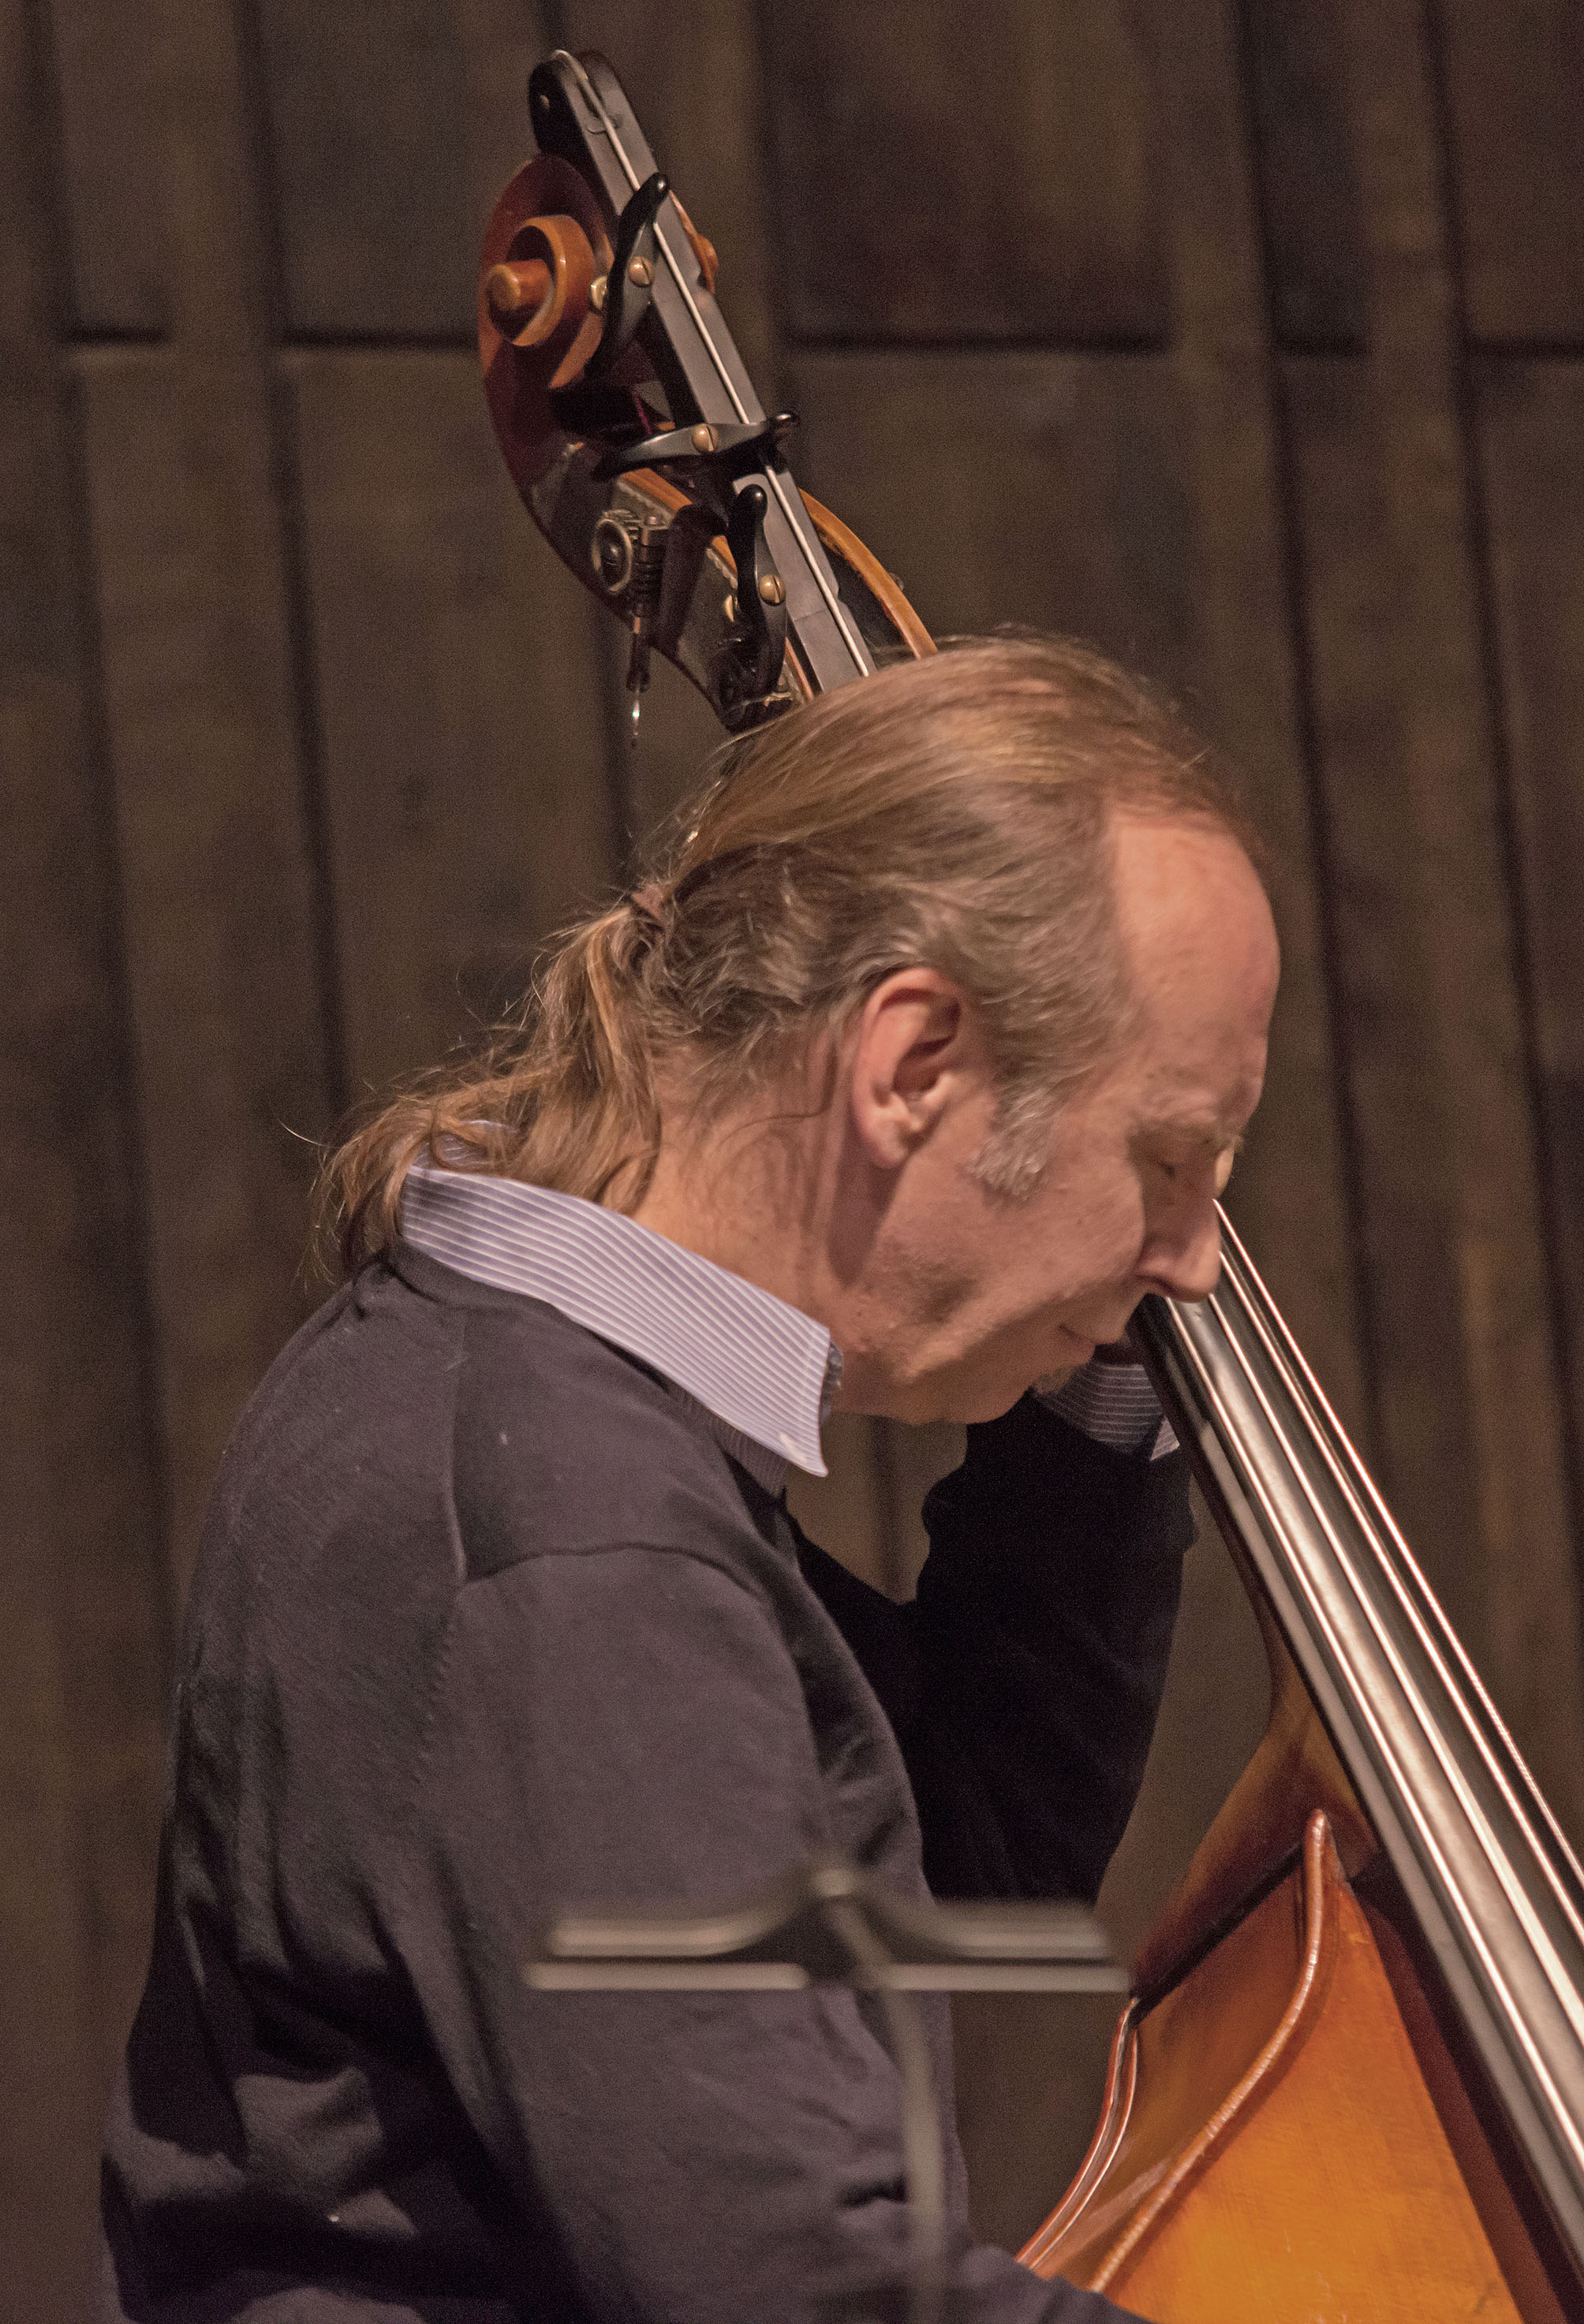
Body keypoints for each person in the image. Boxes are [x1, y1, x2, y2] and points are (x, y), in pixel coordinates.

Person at [100, 635, 1280, 2321]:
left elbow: (939, 1855)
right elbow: (784, 2279)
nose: (1193, 1258)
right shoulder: (566, 1531)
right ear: (908, 1065)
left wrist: (1099, 1388)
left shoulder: (522, 1397)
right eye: (1164, 1158)